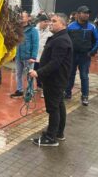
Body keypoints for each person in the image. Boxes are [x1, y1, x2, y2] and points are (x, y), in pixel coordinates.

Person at [29, 13, 72, 147]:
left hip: (55, 80)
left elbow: (55, 63)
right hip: (57, 79)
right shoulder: (59, 38)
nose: (50, 23)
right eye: (50, 21)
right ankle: (58, 132)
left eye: (54, 21)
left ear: (63, 24)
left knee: (53, 108)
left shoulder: (61, 40)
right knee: (59, 105)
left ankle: (50, 137)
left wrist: (38, 72)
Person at [65, 5, 98, 106]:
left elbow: (97, 40)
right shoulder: (70, 26)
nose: (87, 15)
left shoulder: (92, 26)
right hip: (72, 56)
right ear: (78, 14)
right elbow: (66, 40)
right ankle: (67, 93)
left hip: (85, 56)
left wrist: (91, 52)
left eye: (88, 13)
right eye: (84, 13)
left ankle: (85, 96)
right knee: (70, 75)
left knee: (84, 76)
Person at [10, 11, 39, 98]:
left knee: (29, 75)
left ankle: (30, 91)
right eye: (19, 16)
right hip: (18, 56)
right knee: (18, 74)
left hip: (28, 57)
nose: (20, 18)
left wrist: (33, 57)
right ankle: (20, 90)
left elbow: (35, 44)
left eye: (22, 17)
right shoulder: (17, 29)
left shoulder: (33, 30)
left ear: (28, 18)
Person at [34, 14, 53, 96]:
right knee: (35, 72)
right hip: (34, 56)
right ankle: (38, 86)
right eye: (44, 22)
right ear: (40, 22)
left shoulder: (50, 33)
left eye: (47, 22)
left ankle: (43, 90)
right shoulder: (34, 30)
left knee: (43, 73)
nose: (46, 23)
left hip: (44, 56)